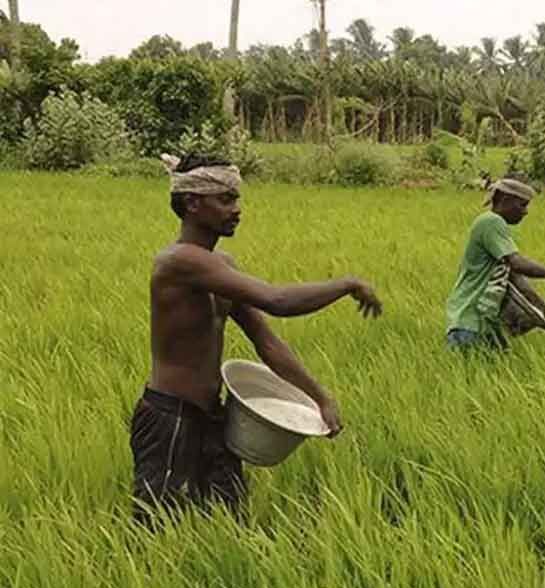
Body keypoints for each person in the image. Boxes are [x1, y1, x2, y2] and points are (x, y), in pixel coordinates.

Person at [130, 154, 383, 526]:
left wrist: (320, 398)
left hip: (211, 415)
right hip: (170, 417)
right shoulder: (178, 262)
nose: (237, 209)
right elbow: (276, 300)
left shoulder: (221, 268)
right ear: (192, 202)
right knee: (157, 527)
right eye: (226, 199)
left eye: (236, 199)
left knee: (228, 518)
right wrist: (347, 284)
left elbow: (266, 341)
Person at [445, 178, 545, 351]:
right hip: (471, 322)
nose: (525, 212)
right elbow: (516, 263)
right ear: (504, 200)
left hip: (483, 323)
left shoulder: (494, 229)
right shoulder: (491, 222)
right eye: (522, 205)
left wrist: (542, 309)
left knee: (493, 372)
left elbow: (515, 277)